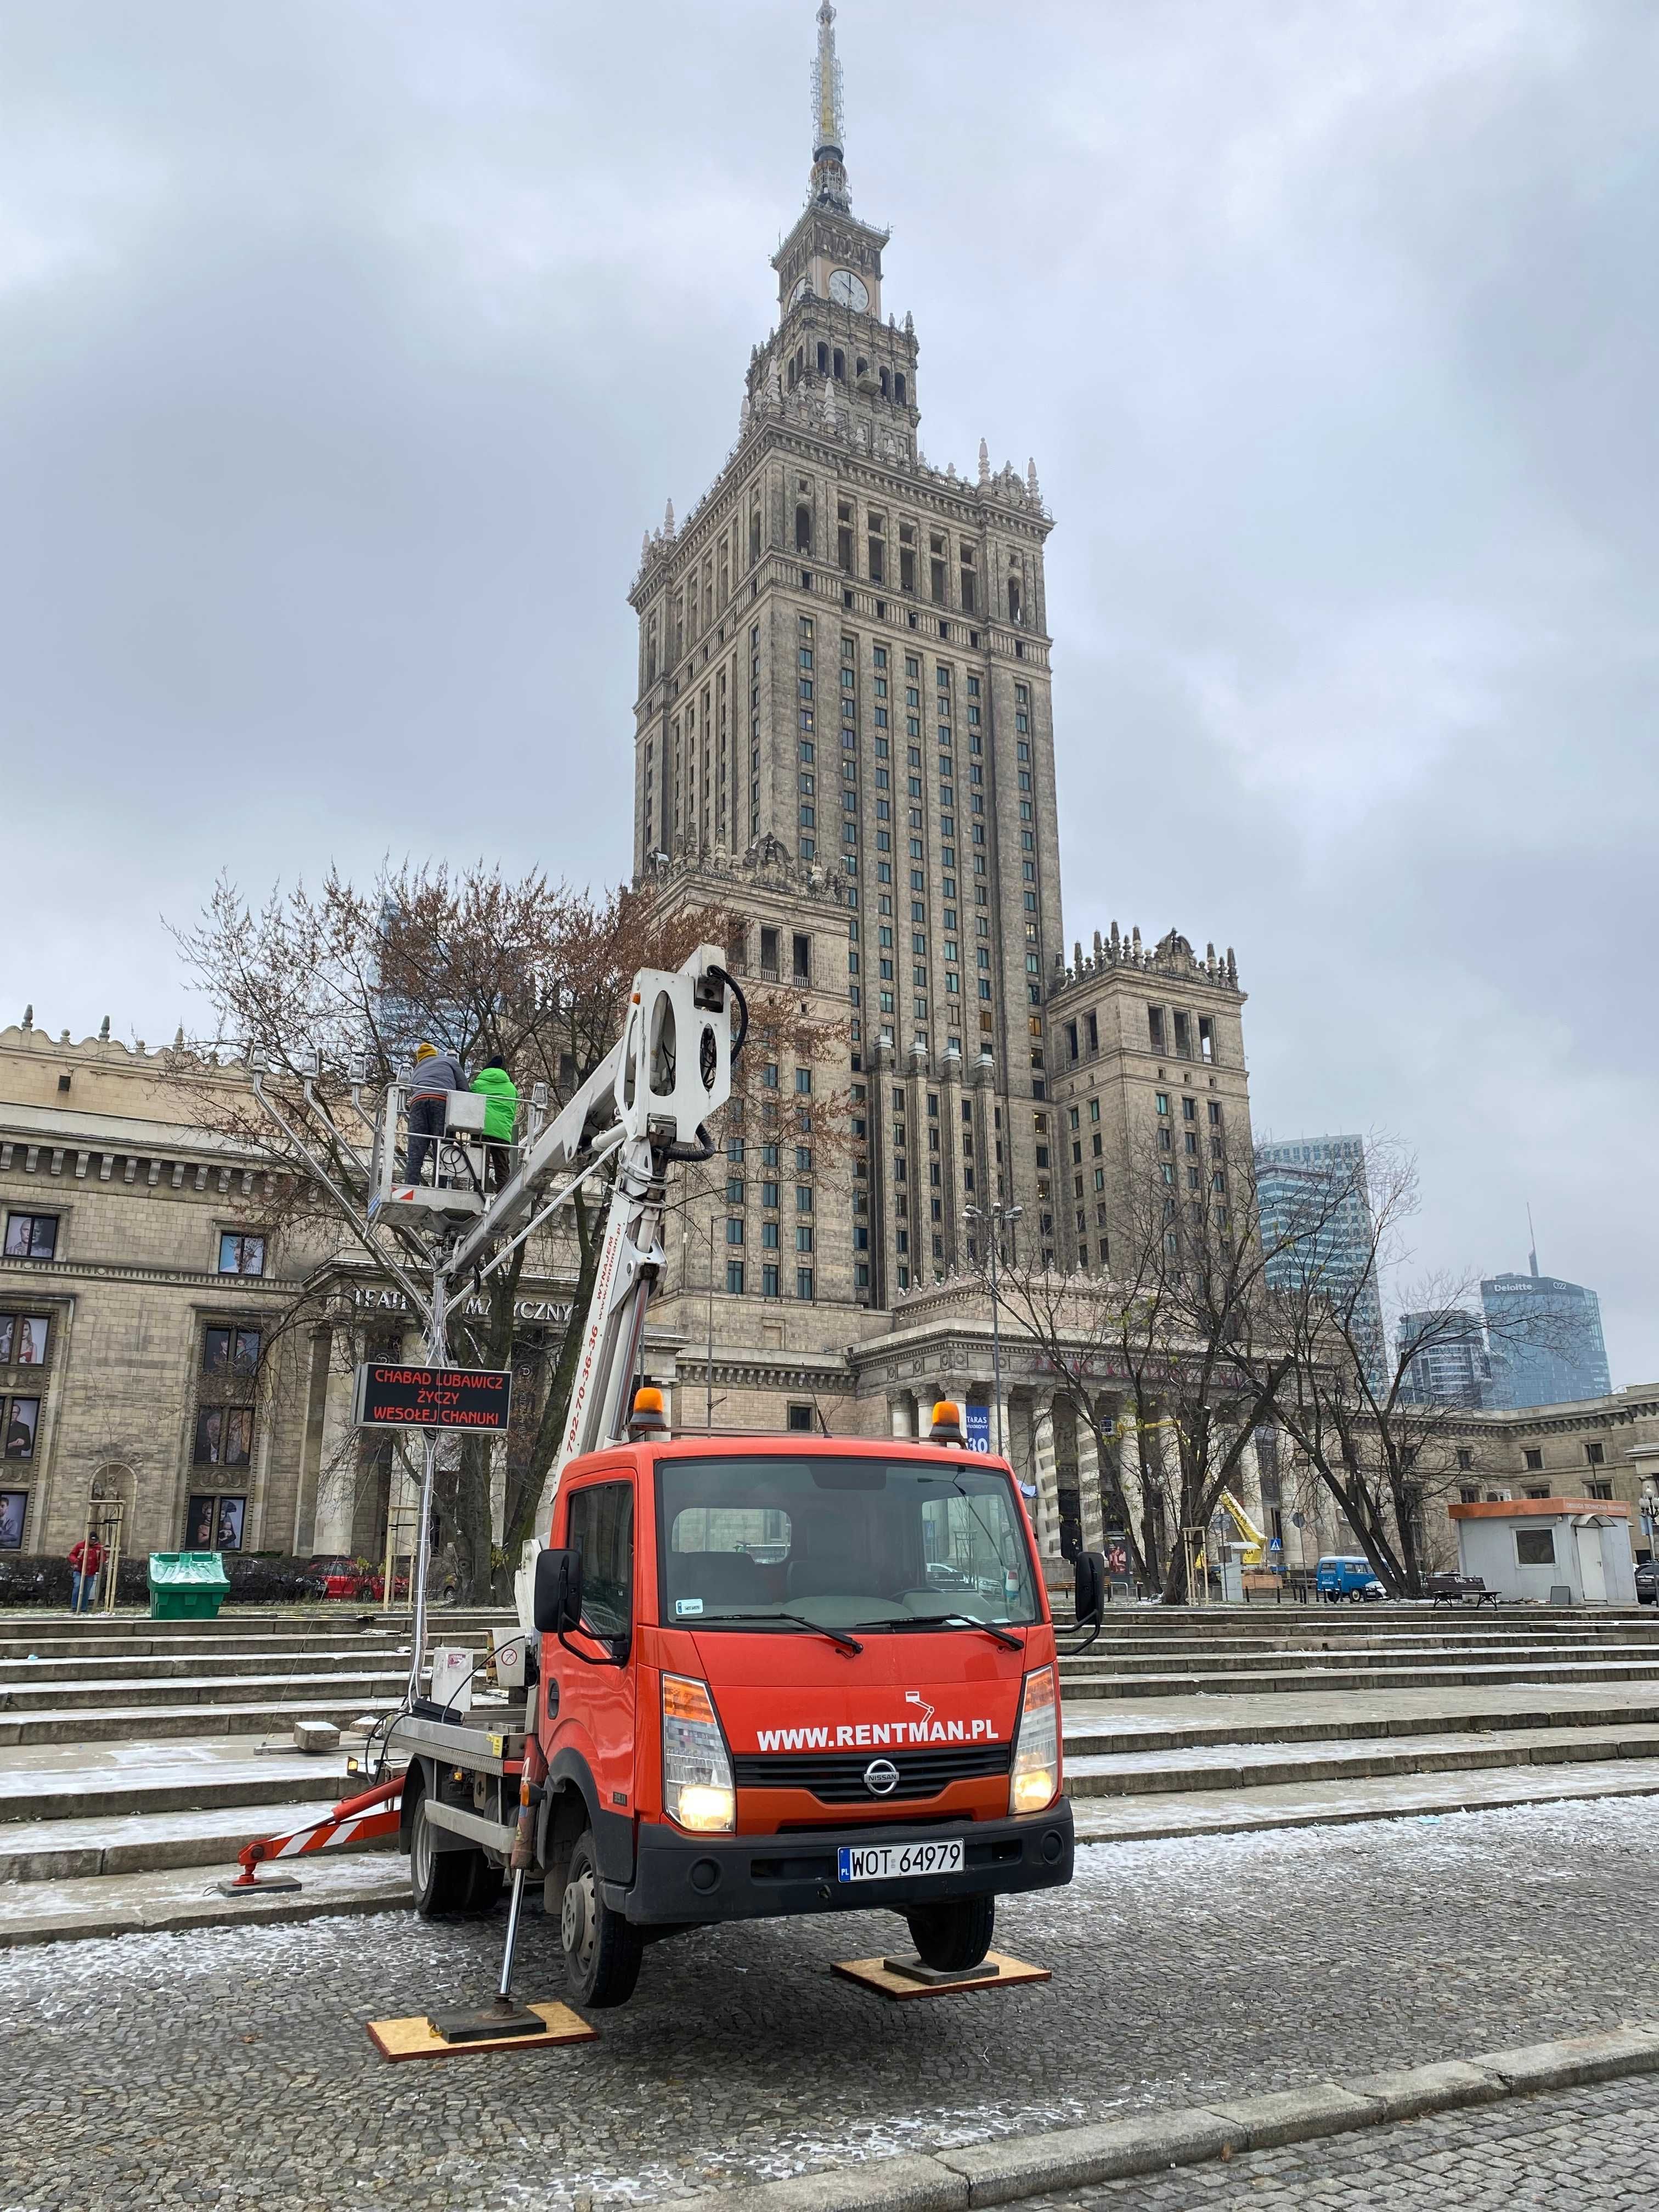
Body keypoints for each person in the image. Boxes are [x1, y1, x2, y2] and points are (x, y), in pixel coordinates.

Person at [404, 1041, 463, 1187]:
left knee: (416, 1152)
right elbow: (463, 1089)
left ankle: (410, 1185)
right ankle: (441, 1187)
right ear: (435, 1054)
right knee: (442, 1151)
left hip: (418, 1103)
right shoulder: (449, 1061)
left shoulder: (416, 1070)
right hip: (441, 1102)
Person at [470, 1054, 518, 1190]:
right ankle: (503, 1194)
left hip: (480, 1130)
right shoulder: (511, 1088)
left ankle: (479, 1191)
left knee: (480, 1165)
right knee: (502, 1168)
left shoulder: (478, 1084)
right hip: (502, 1132)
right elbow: (514, 1108)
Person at [69, 1530, 105, 1614]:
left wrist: (100, 1564)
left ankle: (84, 1608)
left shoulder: (99, 1548)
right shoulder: (80, 1545)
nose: (92, 1542)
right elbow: (72, 1554)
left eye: (94, 1540)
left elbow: (102, 1559)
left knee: (87, 1590)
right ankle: (74, 1606)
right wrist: (76, 1561)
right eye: (91, 1540)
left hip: (91, 1572)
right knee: (77, 1587)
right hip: (79, 1570)